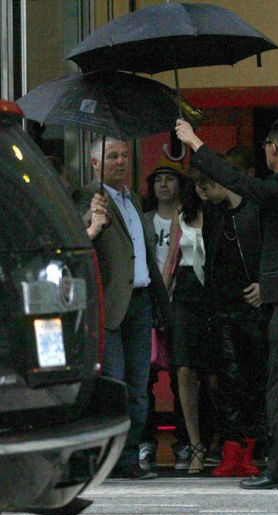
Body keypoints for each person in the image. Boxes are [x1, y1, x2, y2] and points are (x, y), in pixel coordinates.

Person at [175, 118, 278, 489]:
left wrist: (194, 142)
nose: (264, 150)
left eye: (267, 143)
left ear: (275, 147)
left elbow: (237, 181)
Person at [73, 136, 171, 480]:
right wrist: (93, 225)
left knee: (139, 387)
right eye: (111, 156)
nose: (120, 161)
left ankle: (127, 460)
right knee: (114, 386)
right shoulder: (89, 198)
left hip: (141, 303)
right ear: (95, 164)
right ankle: (107, 461)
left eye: (124, 155)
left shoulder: (132, 200)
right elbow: (74, 247)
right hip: (110, 306)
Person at [190, 163, 269, 478]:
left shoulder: (256, 210)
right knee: (227, 379)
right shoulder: (215, 214)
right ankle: (233, 448)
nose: (203, 195)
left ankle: (246, 448)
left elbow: (271, 250)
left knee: (252, 378)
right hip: (222, 304)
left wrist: (266, 284)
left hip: (250, 303)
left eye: (205, 188)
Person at [139, 155, 191, 471]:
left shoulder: (189, 218)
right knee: (144, 377)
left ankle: (186, 442)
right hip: (148, 303)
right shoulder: (143, 220)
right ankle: (145, 442)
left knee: (181, 376)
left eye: (170, 178)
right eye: (158, 178)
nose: (163, 184)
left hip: (180, 303)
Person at [162, 179, 210, 475]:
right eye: (200, 183)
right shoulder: (180, 214)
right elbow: (170, 261)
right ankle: (196, 446)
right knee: (183, 369)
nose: (203, 188)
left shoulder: (222, 212)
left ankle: (221, 438)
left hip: (214, 292)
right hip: (186, 293)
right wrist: (160, 301)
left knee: (215, 374)